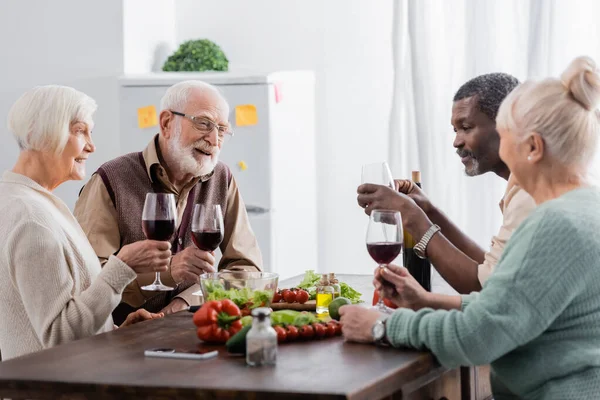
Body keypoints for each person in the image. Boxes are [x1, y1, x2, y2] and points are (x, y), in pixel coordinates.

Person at [342, 56, 600, 399]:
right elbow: (511, 307)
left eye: (506, 136)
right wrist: (422, 300)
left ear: (533, 147)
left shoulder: (553, 222)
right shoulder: (587, 206)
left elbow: (478, 336)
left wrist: (381, 326)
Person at [0, 86, 168, 361]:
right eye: (80, 131)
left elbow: (51, 323)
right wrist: (121, 267)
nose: (91, 145)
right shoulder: (31, 220)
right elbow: (58, 336)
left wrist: (113, 331)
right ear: (36, 135)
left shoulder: (29, 201)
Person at [74, 80, 262, 324]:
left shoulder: (221, 179)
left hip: (195, 329)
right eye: (204, 123)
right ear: (166, 123)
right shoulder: (110, 181)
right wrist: (167, 273)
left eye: (222, 130)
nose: (214, 139)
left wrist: (187, 301)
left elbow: (246, 269)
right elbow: (90, 281)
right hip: (124, 337)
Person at [357, 73, 537, 310]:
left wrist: (412, 217)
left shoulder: (531, 193)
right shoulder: (522, 184)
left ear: (508, 124)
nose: (456, 142)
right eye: (455, 130)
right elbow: (492, 269)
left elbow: (486, 289)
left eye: (465, 127)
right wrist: (429, 211)